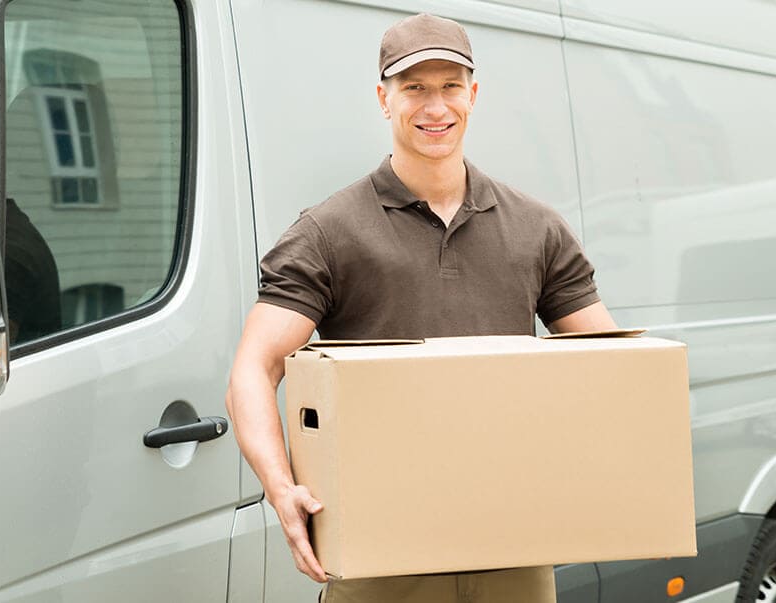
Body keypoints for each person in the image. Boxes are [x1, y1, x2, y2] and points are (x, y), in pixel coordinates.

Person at [226, 13, 617, 603]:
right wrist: (282, 489)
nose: (435, 107)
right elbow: (253, 370)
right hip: (378, 550)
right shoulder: (328, 232)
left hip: (510, 542)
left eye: (450, 86)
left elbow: (611, 366)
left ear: (473, 95)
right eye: (414, 88)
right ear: (384, 100)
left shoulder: (537, 230)